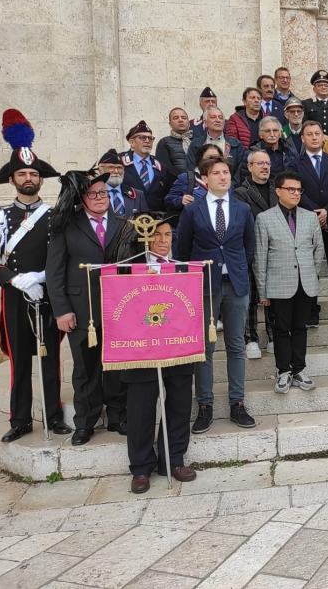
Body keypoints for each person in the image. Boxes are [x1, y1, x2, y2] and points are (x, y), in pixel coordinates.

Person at [0, 109, 70, 442]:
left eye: (33, 173)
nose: (29, 178)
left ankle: (54, 415)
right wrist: (14, 280)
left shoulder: (56, 214)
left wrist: (45, 281)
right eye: (23, 173)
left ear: (41, 178)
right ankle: (20, 420)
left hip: (48, 293)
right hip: (16, 294)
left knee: (50, 357)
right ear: (12, 178)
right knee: (20, 360)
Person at [110, 212, 196, 493]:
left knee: (180, 402)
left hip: (177, 347)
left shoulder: (181, 267)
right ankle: (141, 467)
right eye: (157, 234)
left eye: (168, 235)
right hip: (140, 349)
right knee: (141, 409)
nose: (162, 240)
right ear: (143, 236)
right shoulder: (127, 268)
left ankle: (174, 459)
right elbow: (119, 306)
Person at [176, 153, 257, 433]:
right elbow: (182, 250)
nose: (223, 177)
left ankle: (237, 402)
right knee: (205, 349)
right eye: (217, 173)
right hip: (204, 284)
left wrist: (233, 267)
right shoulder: (192, 211)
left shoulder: (243, 209)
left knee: (236, 345)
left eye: (226, 172)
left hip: (235, 284)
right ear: (205, 178)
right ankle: (205, 405)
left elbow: (249, 247)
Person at [46, 170, 127, 445]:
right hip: (80, 310)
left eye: (103, 192)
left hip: (117, 308)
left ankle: (117, 415)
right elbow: (54, 271)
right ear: (82, 198)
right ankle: (86, 421)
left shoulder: (123, 223)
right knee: (85, 368)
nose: (99, 197)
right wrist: (61, 310)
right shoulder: (66, 225)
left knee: (117, 364)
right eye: (92, 193)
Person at [254, 170, 324, 394]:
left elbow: (318, 250)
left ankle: (300, 369)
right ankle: (283, 370)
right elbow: (260, 256)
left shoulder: (310, 216)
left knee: (300, 327)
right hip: (279, 284)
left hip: (305, 282)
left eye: (298, 190)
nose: (295, 194)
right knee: (281, 329)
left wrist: (312, 276)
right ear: (278, 191)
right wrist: (263, 291)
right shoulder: (264, 219)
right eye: (290, 189)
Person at [286, 120, 328, 327]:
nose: (314, 137)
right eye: (309, 134)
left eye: (317, 133)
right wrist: (314, 212)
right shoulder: (295, 164)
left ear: (323, 137)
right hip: (306, 220)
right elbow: (296, 190)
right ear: (302, 138)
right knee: (308, 267)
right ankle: (311, 310)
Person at [234, 149, 278, 359]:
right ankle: (250, 338)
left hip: (275, 250)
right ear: (250, 167)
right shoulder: (240, 192)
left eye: (267, 163)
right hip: (251, 250)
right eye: (260, 163)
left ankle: (272, 335)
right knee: (251, 297)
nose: (264, 167)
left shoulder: (277, 188)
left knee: (273, 295)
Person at [120, 120, 176, 211]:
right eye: (142, 138)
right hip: (128, 220)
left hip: (156, 221)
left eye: (150, 138)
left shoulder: (160, 166)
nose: (147, 141)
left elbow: (169, 194)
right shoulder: (119, 163)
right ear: (132, 142)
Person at [186, 107, 247, 184]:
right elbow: (191, 169)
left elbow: (240, 172)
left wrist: (230, 188)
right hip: (202, 189)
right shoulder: (196, 144)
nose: (218, 120)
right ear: (205, 122)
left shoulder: (236, 144)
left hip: (230, 190)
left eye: (221, 118)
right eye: (213, 117)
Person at [164, 144, 218, 212]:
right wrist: (181, 200)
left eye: (217, 158)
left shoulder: (224, 179)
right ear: (200, 159)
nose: (213, 161)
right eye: (209, 158)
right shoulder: (186, 178)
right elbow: (168, 201)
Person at [96, 149, 147, 217]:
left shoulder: (138, 195)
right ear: (100, 170)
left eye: (119, 168)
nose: (116, 171)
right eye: (111, 167)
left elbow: (145, 221)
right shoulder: (91, 195)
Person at [302, 69, 328, 136]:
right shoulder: (306, 104)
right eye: (320, 85)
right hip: (313, 140)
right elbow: (304, 124)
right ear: (314, 89)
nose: (323, 87)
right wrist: (321, 136)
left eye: (326, 85)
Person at [155, 107, 192, 173]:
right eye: (176, 118)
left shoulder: (199, 141)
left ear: (189, 123)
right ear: (170, 124)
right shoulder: (164, 142)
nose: (180, 120)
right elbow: (164, 168)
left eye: (184, 118)